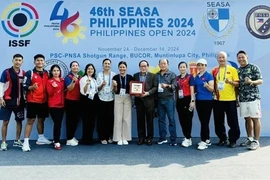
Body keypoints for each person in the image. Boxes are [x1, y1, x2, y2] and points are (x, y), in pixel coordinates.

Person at [22, 54, 51, 152]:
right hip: (32, 101)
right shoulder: (29, 73)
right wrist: (31, 87)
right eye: (38, 60)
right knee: (30, 121)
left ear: (44, 62)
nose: (40, 62)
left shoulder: (47, 73)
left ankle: (41, 138)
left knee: (41, 120)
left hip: (44, 101)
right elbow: (24, 86)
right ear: (34, 62)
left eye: (42, 60)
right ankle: (25, 143)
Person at [212, 51, 240, 148]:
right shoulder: (214, 70)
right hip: (217, 100)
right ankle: (222, 138)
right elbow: (213, 84)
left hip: (230, 99)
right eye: (219, 57)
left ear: (226, 58)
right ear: (217, 59)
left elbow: (237, 84)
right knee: (218, 121)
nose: (221, 59)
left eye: (223, 57)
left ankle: (233, 140)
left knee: (232, 121)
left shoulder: (232, 69)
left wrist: (231, 82)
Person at [237, 50, 263, 150]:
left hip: (253, 98)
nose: (241, 59)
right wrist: (237, 99)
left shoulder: (253, 67)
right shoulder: (238, 70)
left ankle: (256, 141)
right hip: (243, 99)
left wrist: (251, 81)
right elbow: (237, 85)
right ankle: (250, 138)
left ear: (247, 57)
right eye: (239, 57)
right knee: (247, 119)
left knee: (255, 119)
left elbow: (261, 80)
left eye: (242, 57)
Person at [0, 54, 25, 151]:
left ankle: (17, 140)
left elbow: (24, 88)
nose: (17, 62)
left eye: (19, 60)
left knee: (19, 121)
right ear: (12, 61)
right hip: (7, 101)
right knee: (5, 121)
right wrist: (0, 97)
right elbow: (1, 84)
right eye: (16, 60)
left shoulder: (23, 73)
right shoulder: (6, 72)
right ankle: (3, 142)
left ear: (22, 62)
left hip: (19, 102)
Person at [190, 59, 214, 150]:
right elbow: (195, 89)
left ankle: (203, 141)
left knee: (205, 121)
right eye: (199, 65)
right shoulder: (196, 77)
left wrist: (207, 85)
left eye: (202, 65)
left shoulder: (209, 76)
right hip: (199, 101)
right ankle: (207, 139)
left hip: (207, 101)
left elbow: (212, 89)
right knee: (203, 121)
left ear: (206, 66)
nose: (200, 67)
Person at [133, 60, 157, 146]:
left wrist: (147, 93)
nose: (143, 67)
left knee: (149, 121)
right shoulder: (135, 75)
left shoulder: (153, 76)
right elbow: (133, 87)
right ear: (139, 67)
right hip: (139, 102)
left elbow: (155, 87)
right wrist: (135, 93)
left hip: (149, 102)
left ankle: (149, 138)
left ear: (148, 67)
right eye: (141, 66)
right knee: (140, 121)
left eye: (145, 66)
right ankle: (141, 138)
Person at [156, 59, 177, 146]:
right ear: (159, 65)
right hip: (159, 100)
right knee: (161, 120)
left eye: (164, 64)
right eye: (161, 64)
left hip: (169, 100)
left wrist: (167, 86)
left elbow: (175, 86)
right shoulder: (156, 75)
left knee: (171, 120)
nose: (163, 65)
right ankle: (163, 138)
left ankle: (173, 139)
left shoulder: (172, 74)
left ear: (167, 64)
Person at [112, 61, 133, 145]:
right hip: (118, 97)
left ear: (126, 68)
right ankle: (118, 138)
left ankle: (125, 137)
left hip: (127, 97)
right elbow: (114, 91)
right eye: (120, 67)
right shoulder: (115, 77)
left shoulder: (130, 77)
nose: (122, 68)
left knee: (126, 118)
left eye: (123, 67)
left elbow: (133, 88)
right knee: (118, 118)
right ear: (118, 68)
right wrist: (115, 86)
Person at [175, 61, 195, 147]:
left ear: (186, 68)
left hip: (188, 99)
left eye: (184, 67)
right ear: (178, 68)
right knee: (182, 120)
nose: (182, 68)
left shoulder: (190, 77)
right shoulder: (177, 78)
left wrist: (192, 100)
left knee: (188, 119)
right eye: (181, 67)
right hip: (179, 100)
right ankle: (186, 137)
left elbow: (192, 89)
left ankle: (188, 138)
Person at [97, 58, 116, 144]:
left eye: (108, 63)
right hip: (101, 99)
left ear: (110, 65)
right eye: (105, 63)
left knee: (110, 118)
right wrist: (102, 85)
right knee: (102, 119)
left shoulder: (114, 75)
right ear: (103, 65)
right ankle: (102, 137)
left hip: (111, 99)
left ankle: (109, 136)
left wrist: (115, 86)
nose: (107, 65)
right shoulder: (99, 75)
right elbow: (97, 88)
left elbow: (116, 89)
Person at [46, 65, 65, 150]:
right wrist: (54, 88)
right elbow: (49, 94)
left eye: (58, 70)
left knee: (59, 124)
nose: (56, 72)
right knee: (57, 123)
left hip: (62, 105)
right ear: (51, 72)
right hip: (53, 105)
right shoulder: (49, 81)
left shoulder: (62, 80)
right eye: (54, 70)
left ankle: (55, 139)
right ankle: (57, 142)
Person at [79, 63, 98, 145]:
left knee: (92, 120)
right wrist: (87, 83)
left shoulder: (94, 79)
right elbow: (84, 91)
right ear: (86, 70)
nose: (90, 70)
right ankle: (85, 139)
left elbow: (96, 90)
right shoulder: (83, 79)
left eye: (92, 69)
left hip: (93, 100)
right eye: (89, 69)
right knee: (86, 120)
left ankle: (90, 138)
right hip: (86, 101)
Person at [64, 61, 81, 146]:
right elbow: (69, 89)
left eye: (76, 66)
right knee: (70, 120)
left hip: (78, 101)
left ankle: (72, 136)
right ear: (71, 68)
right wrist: (73, 81)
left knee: (76, 120)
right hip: (70, 101)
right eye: (73, 66)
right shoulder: (68, 77)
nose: (75, 67)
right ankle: (69, 139)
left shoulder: (80, 76)